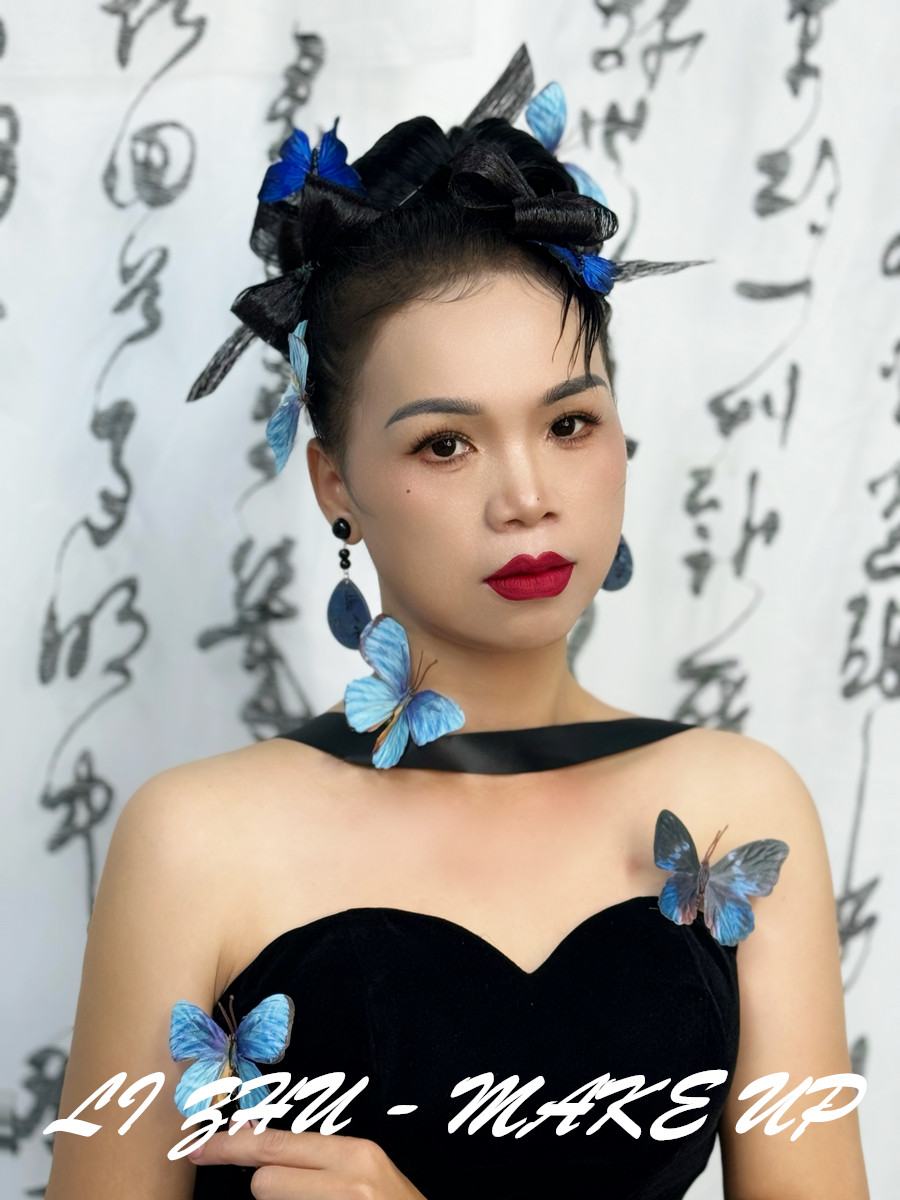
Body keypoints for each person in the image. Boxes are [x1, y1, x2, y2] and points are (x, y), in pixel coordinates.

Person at [46, 46, 868, 1200]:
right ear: (335, 483)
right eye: (446, 443)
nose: (526, 495)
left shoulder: (737, 807)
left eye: (570, 425)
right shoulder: (195, 841)